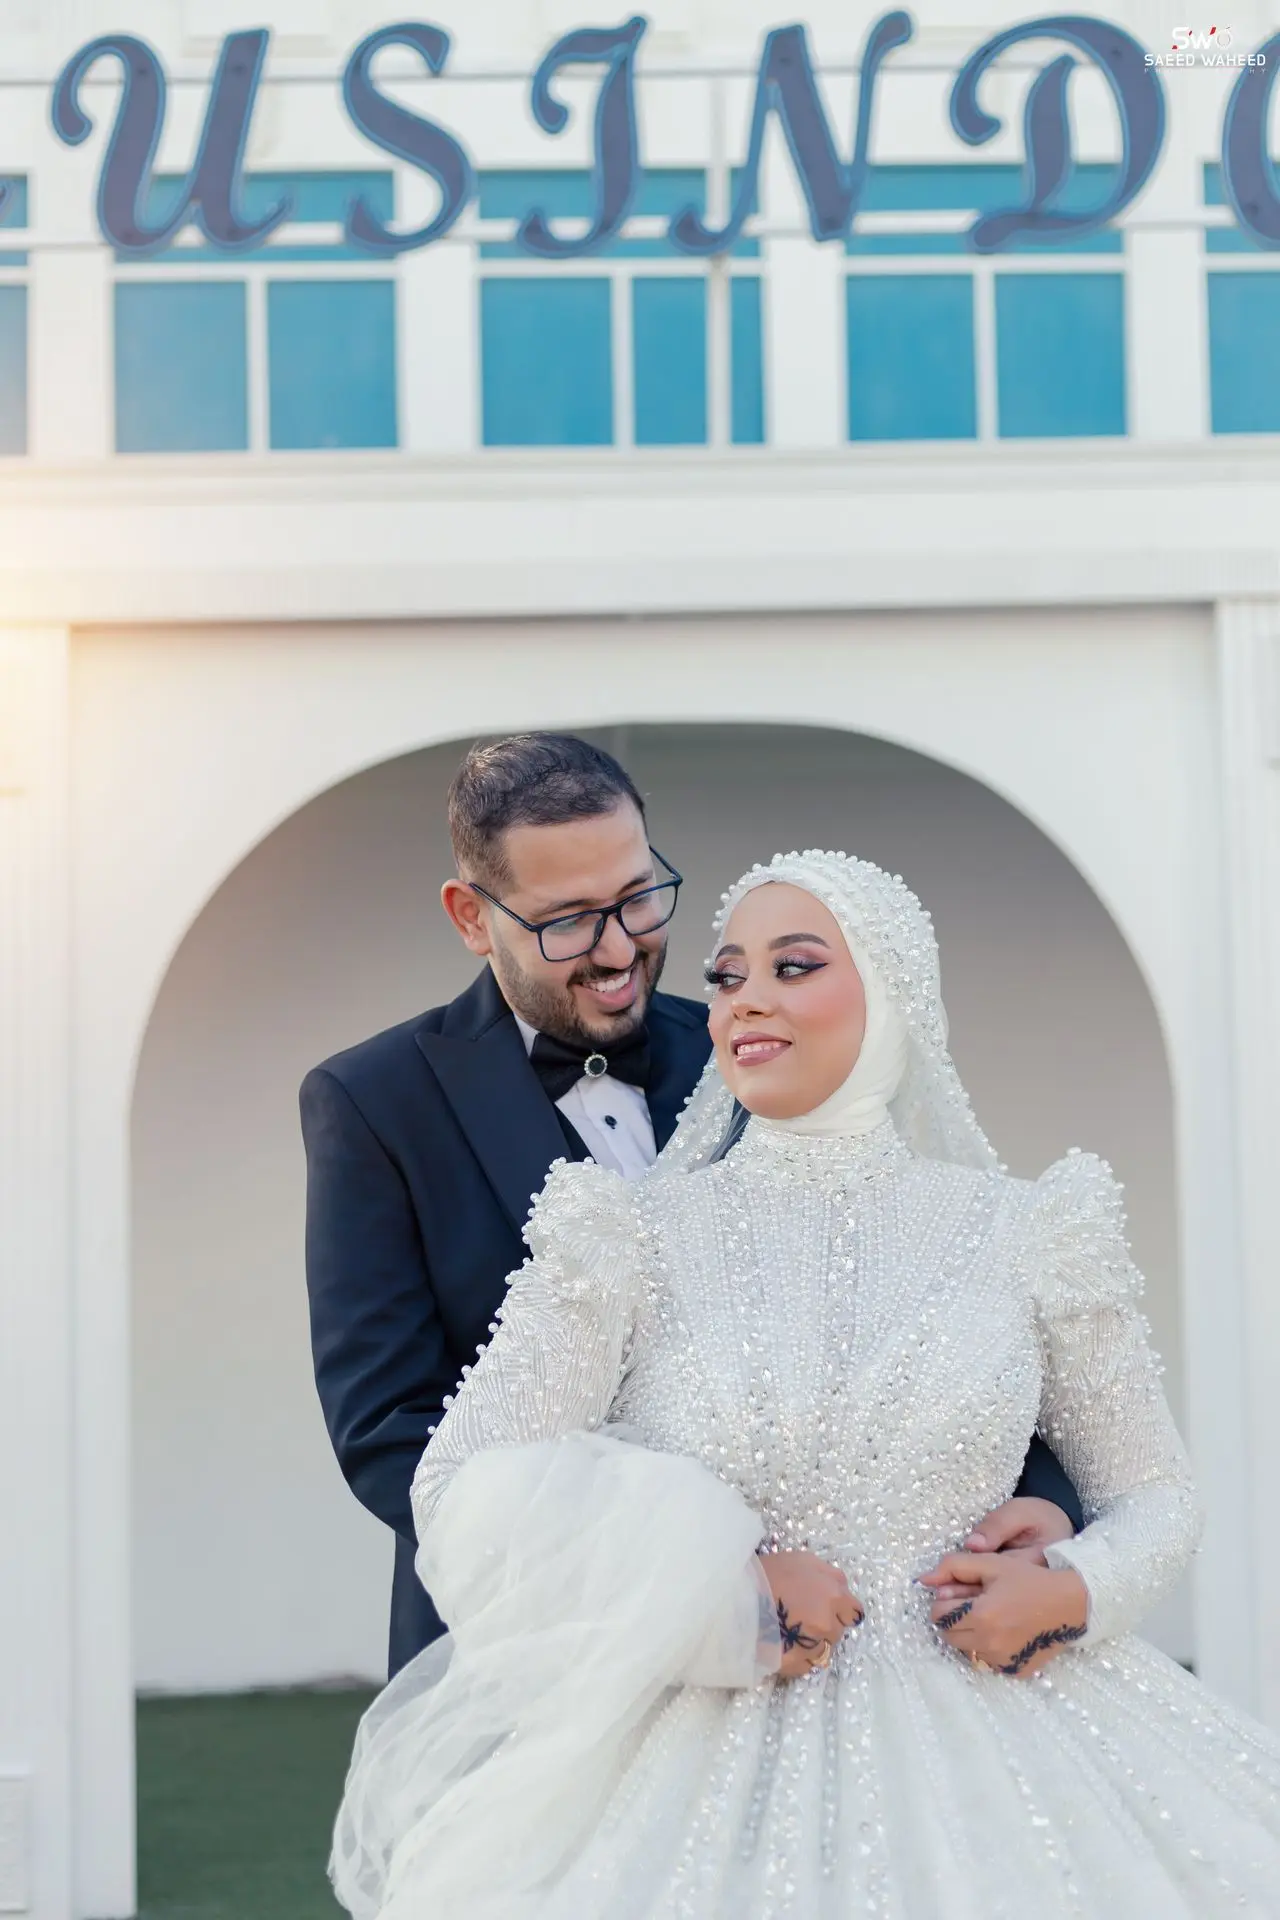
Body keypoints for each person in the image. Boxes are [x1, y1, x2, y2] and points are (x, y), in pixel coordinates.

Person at [330, 849, 1280, 1918]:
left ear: (893, 990)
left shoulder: (1033, 1232)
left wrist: (1076, 1588)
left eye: (794, 966)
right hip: (695, 1771)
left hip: (1015, 1753)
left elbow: (1155, 1491)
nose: (744, 1000)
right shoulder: (622, 1238)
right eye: (727, 975)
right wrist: (717, 1597)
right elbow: (459, 1487)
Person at [302, 737, 1079, 1676]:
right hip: (537, 1651)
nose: (618, 949)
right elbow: (393, 1432)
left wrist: (1043, 1503)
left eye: (638, 897)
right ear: (473, 917)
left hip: (839, 1638)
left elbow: (934, 1294)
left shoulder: (751, 1047)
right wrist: (702, 1587)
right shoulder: (373, 1103)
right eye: (569, 921)